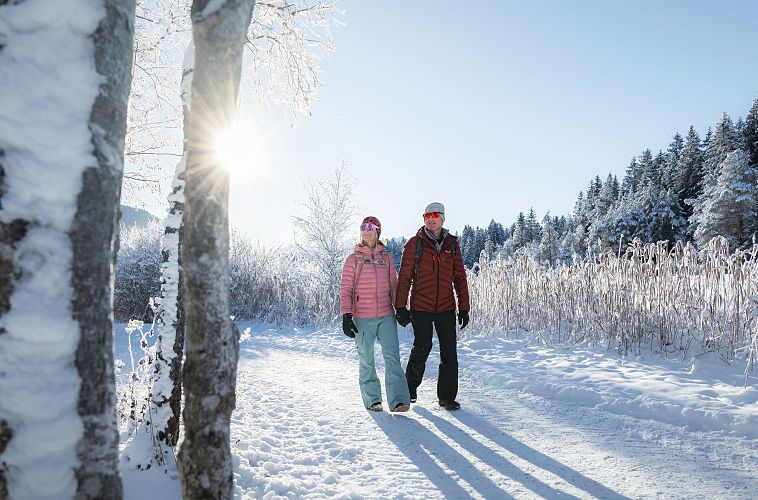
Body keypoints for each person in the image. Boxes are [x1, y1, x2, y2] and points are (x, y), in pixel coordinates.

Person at [394, 202, 470, 411]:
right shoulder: (414, 244)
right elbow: (405, 278)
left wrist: (464, 307)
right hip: (422, 307)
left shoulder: (452, 244)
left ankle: (446, 397)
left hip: (446, 307)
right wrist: (400, 307)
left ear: (442, 218)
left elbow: (460, 278)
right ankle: (408, 391)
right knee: (422, 347)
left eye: (435, 214)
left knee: (449, 353)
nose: (430, 218)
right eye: (426, 215)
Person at [339, 216, 411, 413]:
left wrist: (401, 308)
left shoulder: (385, 258)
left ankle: (399, 401)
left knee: (392, 357)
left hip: (386, 315)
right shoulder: (353, 259)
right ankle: (373, 400)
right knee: (367, 359)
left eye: (371, 227)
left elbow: (394, 287)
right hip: (362, 317)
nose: (366, 230)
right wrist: (346, 314)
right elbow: (345, 289)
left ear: (378, 231)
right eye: (363, 226)